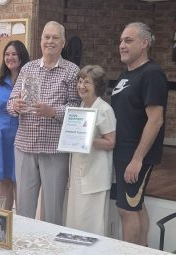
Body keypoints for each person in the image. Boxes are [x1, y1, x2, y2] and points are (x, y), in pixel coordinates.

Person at [7, 21, 81, 225]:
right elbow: (10, 102)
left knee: (53, 209)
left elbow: (77, 110)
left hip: (54, 149)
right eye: (46, 37)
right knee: (24, 207)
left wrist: (53, 112)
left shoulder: (72, 71)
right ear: (40, 41)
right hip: (25, 146)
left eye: (55, 37)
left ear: (63, 42)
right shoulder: (28, 68)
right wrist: (16, 106)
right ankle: (23, 245)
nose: (50, 41)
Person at [111, 22, 168, 245]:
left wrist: (137, 159)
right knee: (135, 205)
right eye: (121, 41)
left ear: (144, 43)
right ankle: (143, 249)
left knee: (127, 210)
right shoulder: (127, 74)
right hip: (122, 150)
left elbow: (156, 120)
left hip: (135, 155)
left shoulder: (152, 74)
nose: (121, 45)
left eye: (128, 40)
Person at [66, 65, 116, 236]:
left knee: (91, 224)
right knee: (76, 221)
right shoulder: (80, 106)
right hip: (78, 175)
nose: (81, 86)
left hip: (95, 176)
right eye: (80, 81)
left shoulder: (104, 109)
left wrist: (86, 138)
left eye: (87, 82)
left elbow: (110, 142)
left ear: (98, 86)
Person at [0, 40, 30, 211]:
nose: (10, 57)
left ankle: (21, 222)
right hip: (0, 135)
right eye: (7, 54)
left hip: (21, 134)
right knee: (3, 180)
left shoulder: (29, 80)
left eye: (14, 54)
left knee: (20, 180)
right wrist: (0, 123)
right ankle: (4, 220)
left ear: (22, 56)